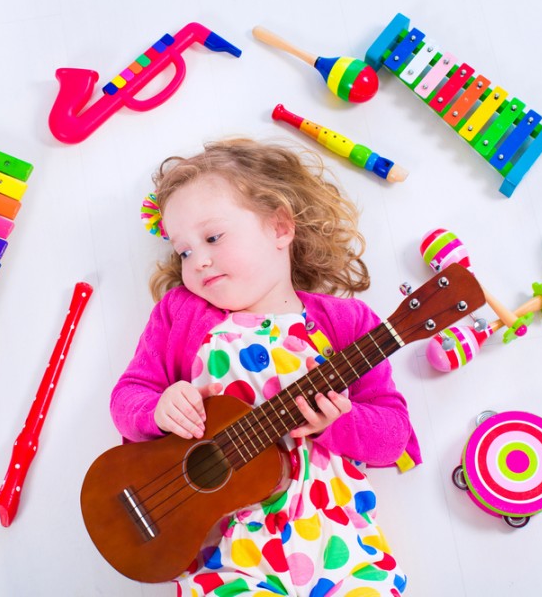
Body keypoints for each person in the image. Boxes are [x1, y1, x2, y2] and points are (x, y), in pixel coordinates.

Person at [111, 138, 419, 596]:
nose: (199, 261)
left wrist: (343, 422)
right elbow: (129, 395)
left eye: (212, 237)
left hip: (338, 543)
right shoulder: (182, 314)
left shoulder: (348, 323)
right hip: (226, 553)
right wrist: (157, 410)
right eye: (184, 251)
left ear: (279, 228)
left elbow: (393, 437)